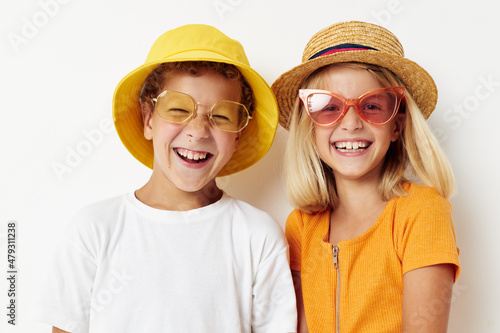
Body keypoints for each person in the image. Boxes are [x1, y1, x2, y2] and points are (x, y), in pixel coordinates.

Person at [31, 24, 297, 333]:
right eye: (178, 109)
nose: (198, 131)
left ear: (238, 134)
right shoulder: (94, 229)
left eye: (222, 116)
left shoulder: (258, 236)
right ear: (148, 120)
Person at [271, 21, 460, 333]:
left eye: (371, 106)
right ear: (309, 128)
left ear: (397, 125)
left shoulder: (423, 212)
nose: (350, 124)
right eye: (329, 107)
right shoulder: (301, 226)